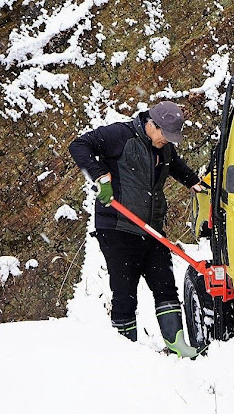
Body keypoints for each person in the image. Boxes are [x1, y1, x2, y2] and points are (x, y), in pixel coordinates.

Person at [69, 101, 204, 358]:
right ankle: (126, 353)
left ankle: (177, 344)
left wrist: (194, 181)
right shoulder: (119, 135)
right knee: (124, 292)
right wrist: (100, 175)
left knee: (165, 284)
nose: (167, 141)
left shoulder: (164, 148)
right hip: (118, 226)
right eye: (165, 134)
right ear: (151, 125)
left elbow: (174, 164)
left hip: (151, 227)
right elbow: (79, 145)